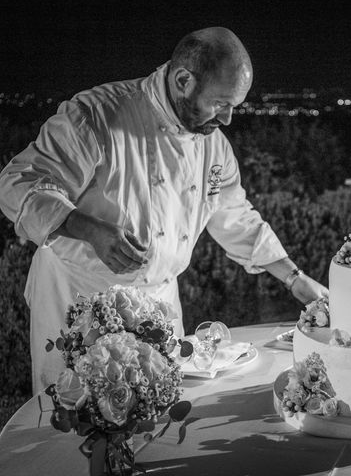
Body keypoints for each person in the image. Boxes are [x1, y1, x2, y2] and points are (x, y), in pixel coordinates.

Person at [0, 27, 328, 394]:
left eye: (235, 105)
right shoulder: (97, 115)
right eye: (220, 103)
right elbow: (17, 183)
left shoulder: (214, 147)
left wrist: (295, 279)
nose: (228, 119)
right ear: (183, 80)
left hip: (160, 304)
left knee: (159, 421)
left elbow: (236, 218)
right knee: (73, 416)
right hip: (79, 299)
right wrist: (88, 228)